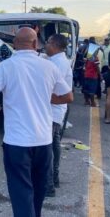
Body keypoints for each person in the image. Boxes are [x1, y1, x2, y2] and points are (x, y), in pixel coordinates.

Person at [0, 27, 73, 217]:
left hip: (17, 143)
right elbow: (68, 96)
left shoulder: (5, 67)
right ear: (35, 44)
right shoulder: (49, 66)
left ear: (14, 45)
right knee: (38, 193)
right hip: (43, 141)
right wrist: (47, 98)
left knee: (21, 193)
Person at [44, 34, 73, 197]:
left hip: (54, 110)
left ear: (54, 44)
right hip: (57, 109)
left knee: (46, 148)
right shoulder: (59, 61)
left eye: (47, 42)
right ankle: (54, 179)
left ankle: (48, 185)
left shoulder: (56, 63)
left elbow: (53, 88)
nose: (45, 45)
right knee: (53, 145)